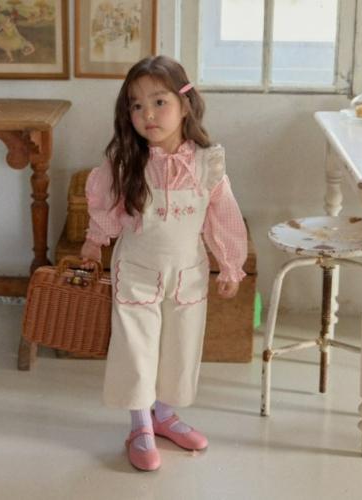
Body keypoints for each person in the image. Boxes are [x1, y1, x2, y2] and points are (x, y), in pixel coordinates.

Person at [80, 55, 248, 472]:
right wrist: (94, 242)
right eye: (136, 105)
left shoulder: (208, 163)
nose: (148, 114)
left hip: (188, 274)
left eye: (159, 102)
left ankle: (165, 415)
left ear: (185, 104)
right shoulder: (126, 162)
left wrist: (230, 265)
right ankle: (140, 424)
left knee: (181, 345)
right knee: (136, 348)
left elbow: (223, 217)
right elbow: (105, 206)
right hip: (137, 272)